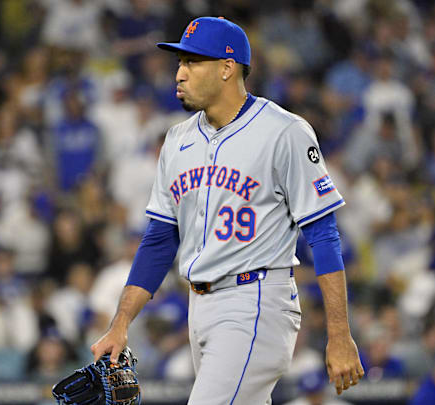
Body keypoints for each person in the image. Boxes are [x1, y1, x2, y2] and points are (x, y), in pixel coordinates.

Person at [90, 17, 364, 405]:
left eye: (192, 62)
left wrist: (339, 334)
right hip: (198, 307)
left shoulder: (284, 132)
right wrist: (120, 325)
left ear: (226, 68)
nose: (179, 74)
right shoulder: (177, 139)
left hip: (255, 301)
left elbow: (323, 234)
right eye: (179, 63)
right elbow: (159, 239)